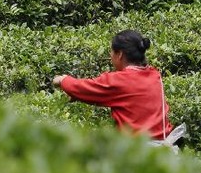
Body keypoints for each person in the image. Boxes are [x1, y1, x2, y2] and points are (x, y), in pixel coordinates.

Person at [52, 29, 186, 148]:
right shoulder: (154, 75)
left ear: (120, 54)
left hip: (140, 153)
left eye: (111, 51)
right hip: (165, 149)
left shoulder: (120, 81)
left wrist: (63, 80)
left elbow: (84, 88)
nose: (110, 55)